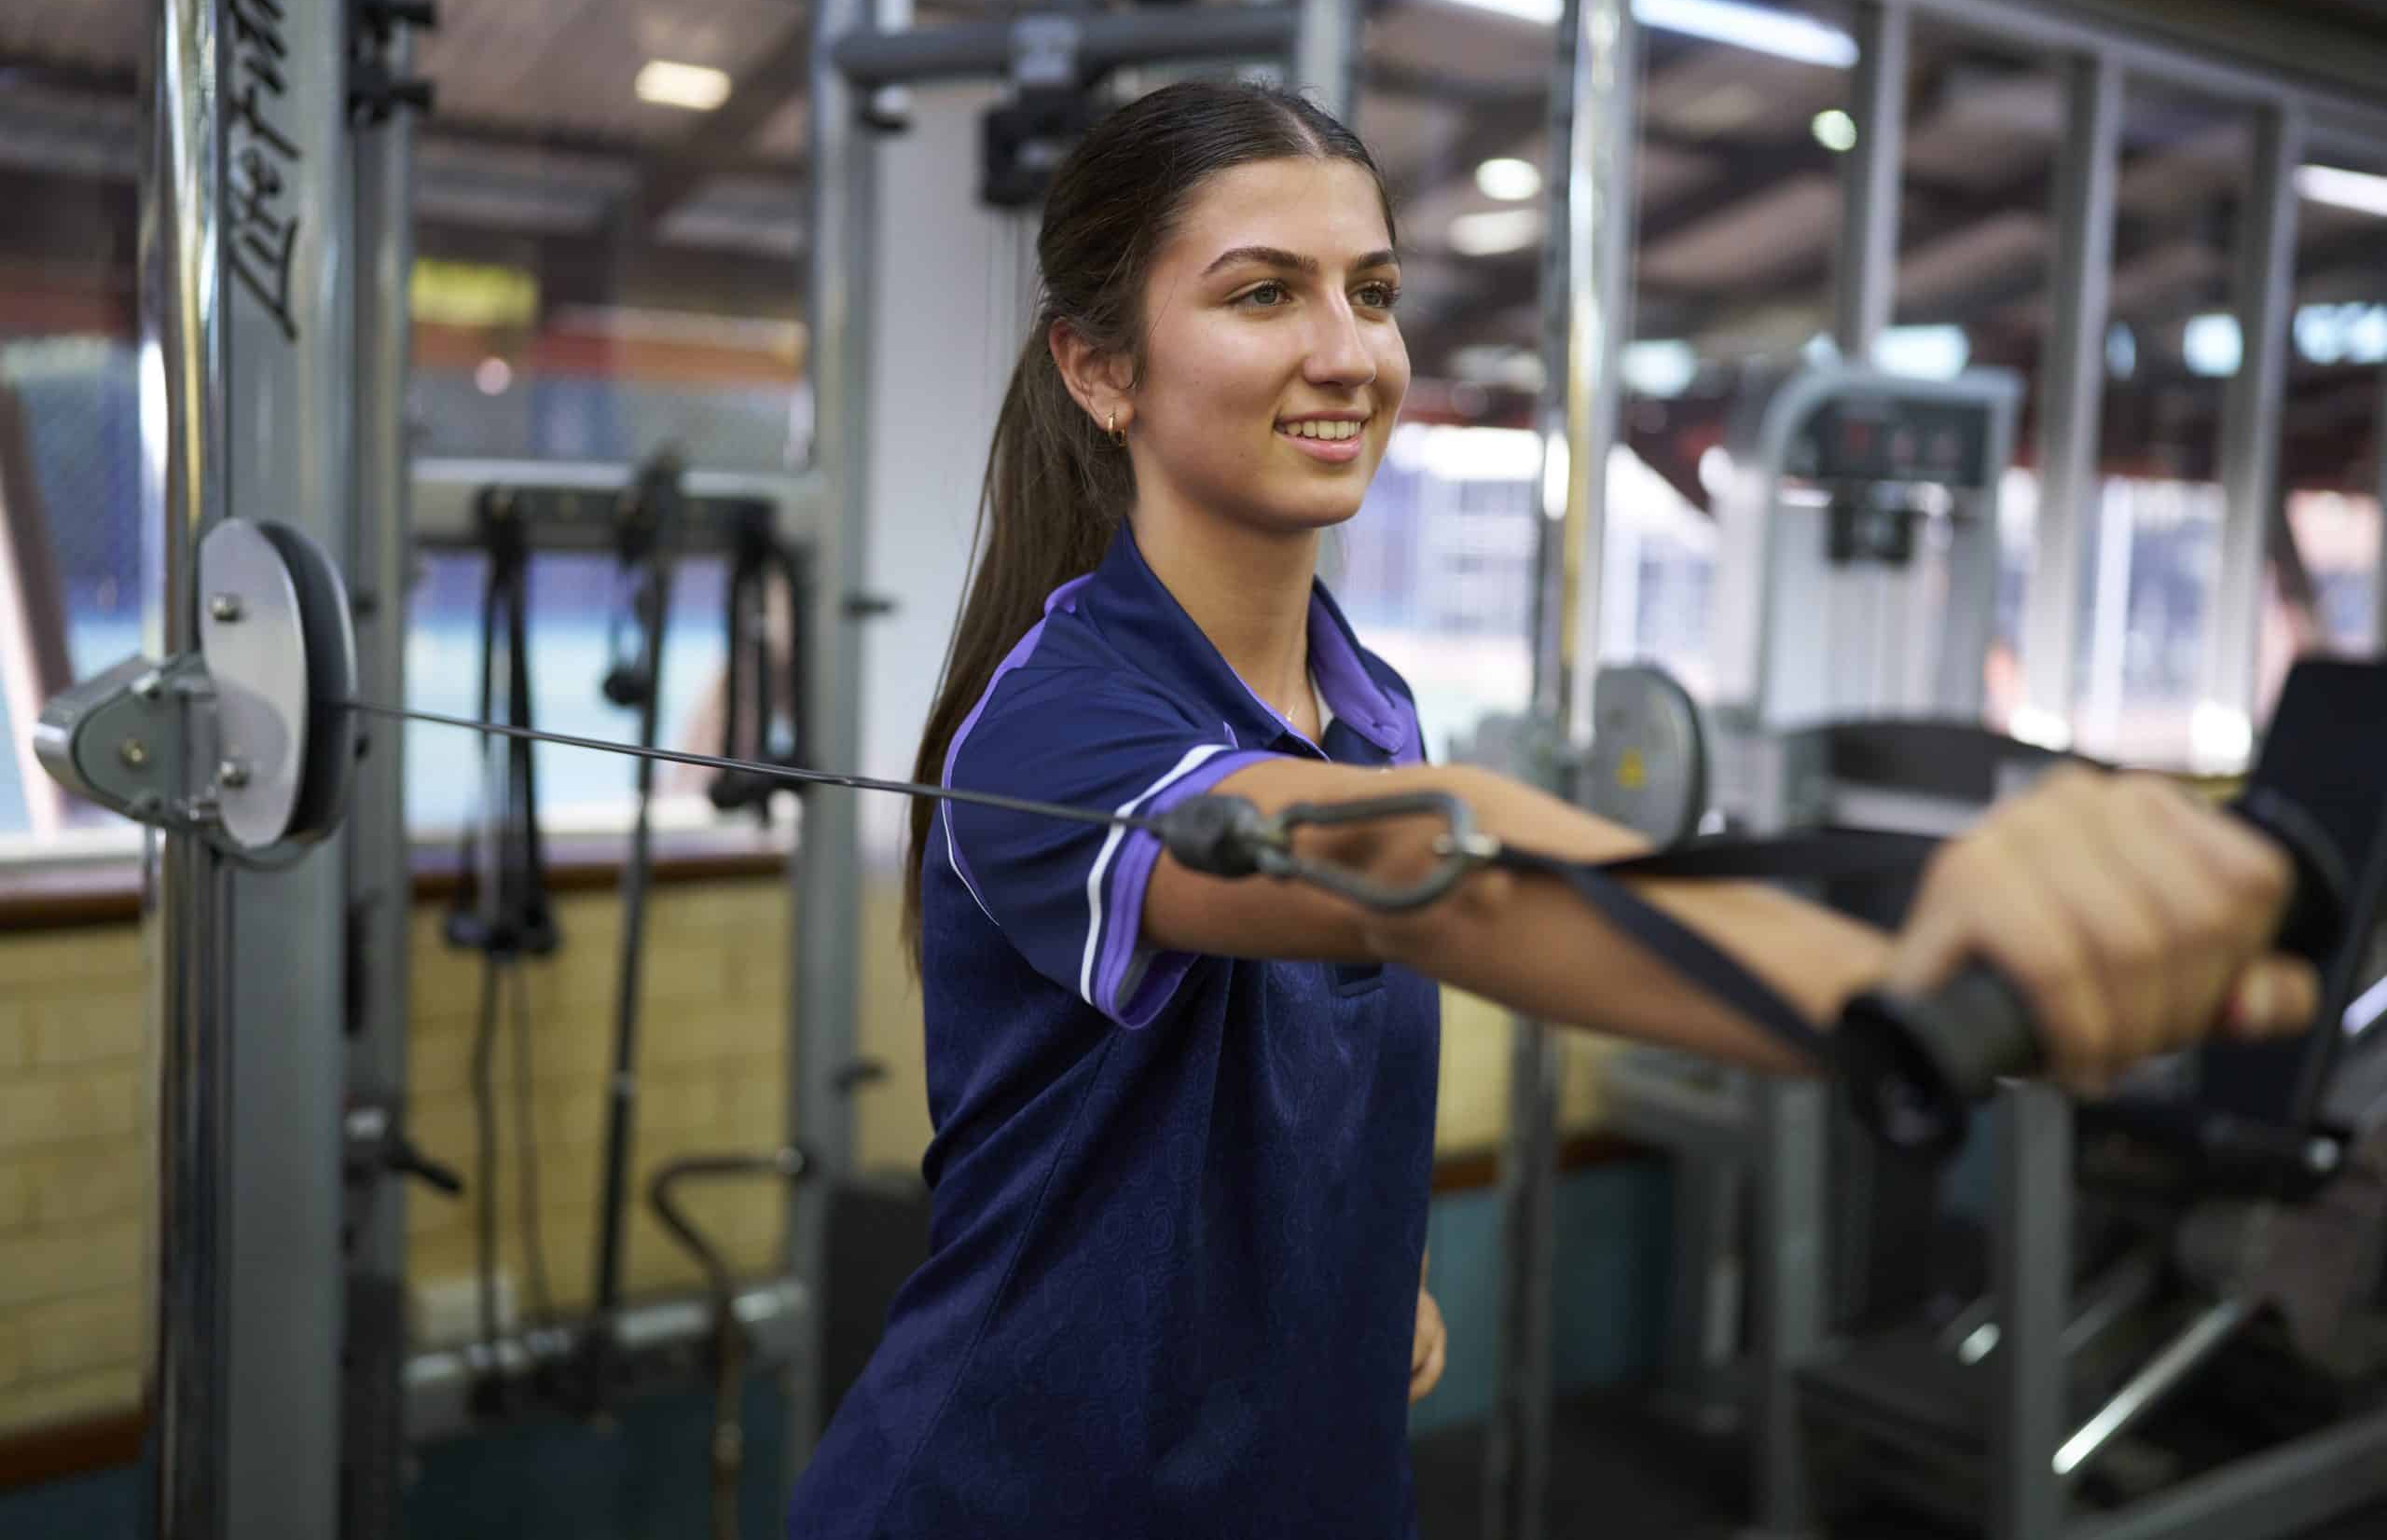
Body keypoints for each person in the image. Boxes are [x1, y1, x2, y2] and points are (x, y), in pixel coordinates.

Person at [783, 79, 2318, 1540]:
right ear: (1100, 368)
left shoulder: (1366, 700)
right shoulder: (1058, 724)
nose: (1348, 353)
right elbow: (1427, 865)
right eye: (1264, 295)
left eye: (1371, 293)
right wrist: (1907, 989)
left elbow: (1322, 1056)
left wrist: (1354, 1267)